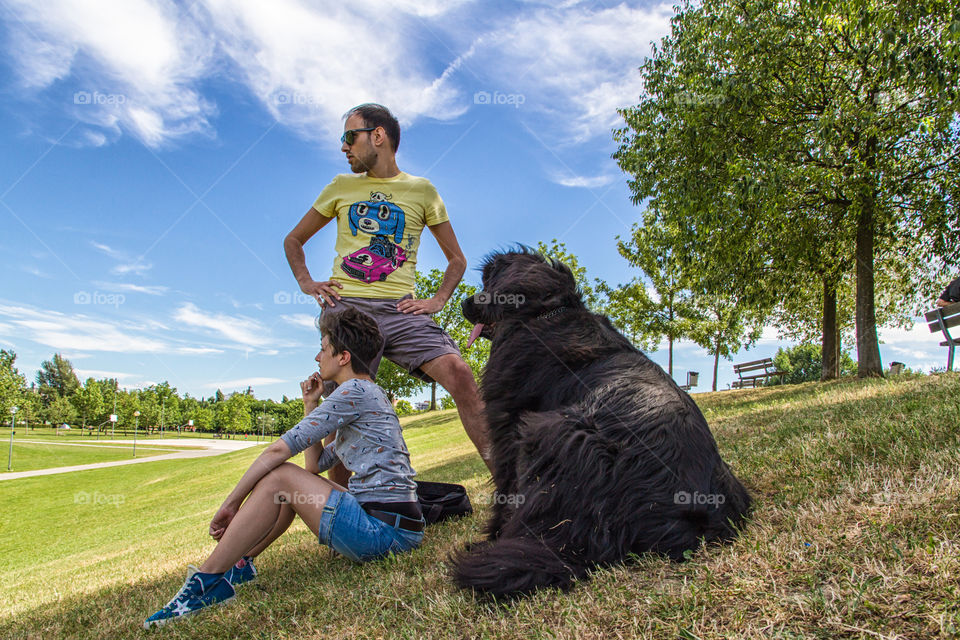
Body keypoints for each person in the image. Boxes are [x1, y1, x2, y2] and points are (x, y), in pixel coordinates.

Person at [144, 307, 424, 628]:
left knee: (280, 476)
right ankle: (240, 564)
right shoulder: (369, 395)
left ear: (343, 357)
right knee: (290, 486)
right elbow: (314, 466)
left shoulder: (354, 392)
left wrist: (232, 503)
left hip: (384, 534)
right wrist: (310, 404)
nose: (317, 357)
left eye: (323, 349)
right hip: (396, 526)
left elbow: (280, 449)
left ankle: (205, 584)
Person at [284, 103, 493, 483]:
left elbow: (457, 260)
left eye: (350, 137)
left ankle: (511, 488)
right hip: (346, 309)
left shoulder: (422, 191)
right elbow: (294, 240)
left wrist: (437, 301)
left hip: (401, 311)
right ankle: (340, 511)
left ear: (378, 135)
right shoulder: (340, 187)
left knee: (460, 373)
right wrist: (306, 282)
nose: (344, 147)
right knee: (343, 406)